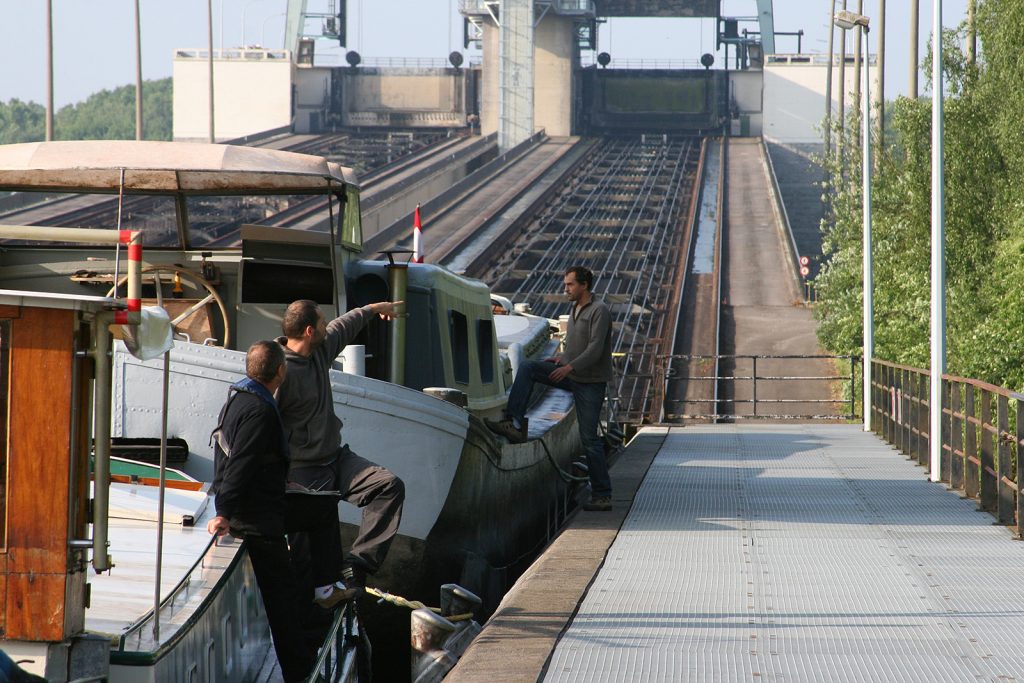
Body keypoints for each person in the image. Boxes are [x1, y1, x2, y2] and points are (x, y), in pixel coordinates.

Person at [208, 341, 351, 683]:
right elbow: (241, 463)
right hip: (256, 519)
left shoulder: (239, 397)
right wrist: (223, 512)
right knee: (282, 601)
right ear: (281, 372)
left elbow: (254, 459)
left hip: (264, 502)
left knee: (321, 508)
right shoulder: (259, 411)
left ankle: (324, 588)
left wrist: (287, 483)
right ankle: (300, 672)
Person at [276, 299, 406, 590]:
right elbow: (264, 427)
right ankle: (313, 615)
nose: (327, 326)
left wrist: (373, 309)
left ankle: (359, 563)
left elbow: (343, 326)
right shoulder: (280, 372)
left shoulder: (319, 350)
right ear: (310, 331)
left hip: (335, 458)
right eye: (322, 323)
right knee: (310, 560)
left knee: (389, 485)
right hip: (304, 471)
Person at [485, 266, 614, 511]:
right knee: (529, 368)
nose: (565, 289)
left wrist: (569, 367)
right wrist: (563, 359)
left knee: (589, 439)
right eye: (566, 284)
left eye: (570, 285)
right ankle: (515, 424)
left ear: (584, 285)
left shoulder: (600, 311)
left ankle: (603, 494)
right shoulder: (576, 307)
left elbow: (596, 349)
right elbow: (579, 345)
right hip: (572, 373)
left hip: (589, 383)